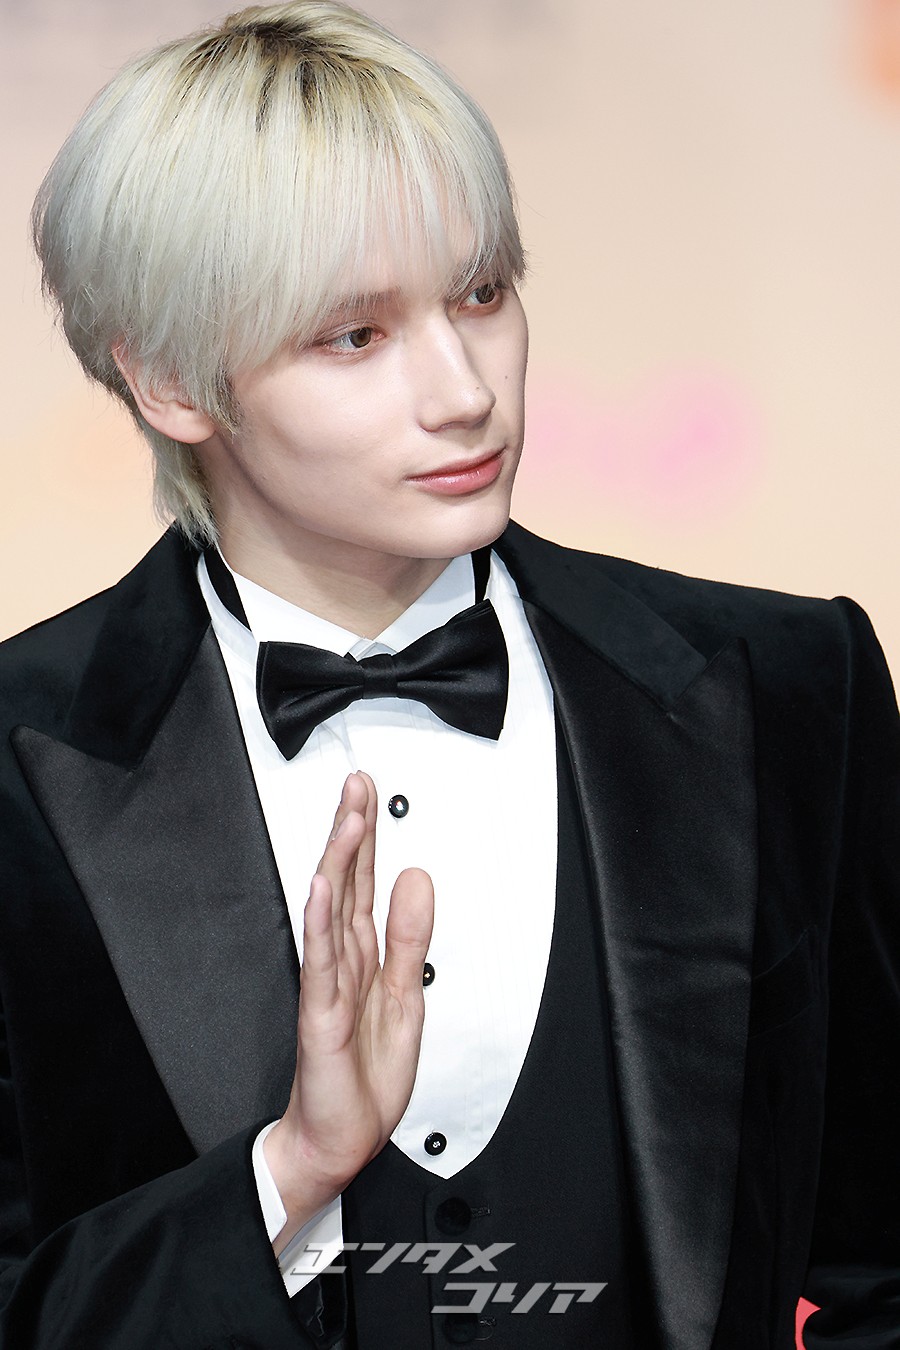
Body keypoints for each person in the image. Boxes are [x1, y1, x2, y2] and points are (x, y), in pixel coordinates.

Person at [1, 3, 898, 1346]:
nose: (464, 390)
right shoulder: (22, 762)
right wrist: (287, 1175)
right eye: (353, 336)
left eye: (480, 294)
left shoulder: (787, 688)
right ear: (173, 381)